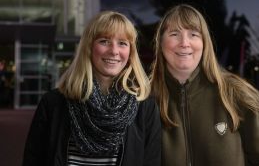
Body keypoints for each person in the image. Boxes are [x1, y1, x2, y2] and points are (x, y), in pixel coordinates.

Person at [150, 4, 259, 166]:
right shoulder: (144, 99)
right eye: (174, 34)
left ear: (204, 43)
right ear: (161, 43)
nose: (184, 43)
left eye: (193, 34)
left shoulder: (236, 93)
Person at [23, 11, 161, 166]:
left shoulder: (145, 107)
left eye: (122, 43)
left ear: (130, 53)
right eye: (104, 41)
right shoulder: (53, 103)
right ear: (88, 47)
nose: (114, 51)